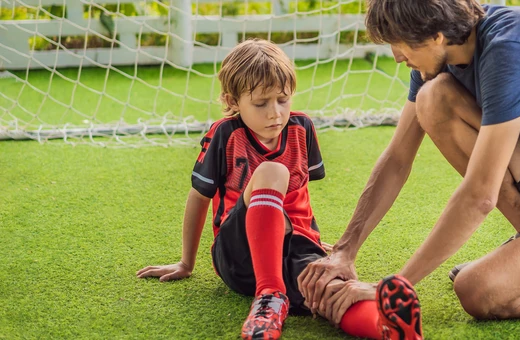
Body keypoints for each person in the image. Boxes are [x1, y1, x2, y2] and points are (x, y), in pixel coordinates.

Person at [299, 0, 520, 322]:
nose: (396, 55)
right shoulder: (442, 57)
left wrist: (395, 286)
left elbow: (479, 195)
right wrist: (345, 251)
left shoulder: (509, 51)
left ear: (437, 35)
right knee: (433, 99)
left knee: (477, 290)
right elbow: (397, 158)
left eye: (402, 43)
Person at [136, 39, 423, 340]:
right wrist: (186, 262)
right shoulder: (225, 135)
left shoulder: (302, 128)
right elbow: (199, 197)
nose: (275, 113)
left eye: (283, 100)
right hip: (238, 254)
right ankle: (269, 295)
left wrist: (310, 243)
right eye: (261, 103)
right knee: (273, 170)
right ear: (233, 101)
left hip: (293, 248)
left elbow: (301, 199)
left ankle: (386, 328)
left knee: (327, 290)